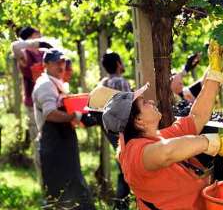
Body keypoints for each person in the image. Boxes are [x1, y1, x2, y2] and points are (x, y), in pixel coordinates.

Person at [102, 41, 223, 210]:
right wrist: (214, 142)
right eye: (144, 102)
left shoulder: (160, 137)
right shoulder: (134, 154)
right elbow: (166, 152)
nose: (151, 101)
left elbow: (197, 116)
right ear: (138, 121)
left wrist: (214, 74)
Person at [32, 49, 97, 210]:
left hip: (63, 142)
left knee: (71, 186)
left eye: (62, 62)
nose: (61, 66)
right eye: (56, 63)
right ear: (45, 65)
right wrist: (77, 116)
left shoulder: (55, 83)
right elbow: (50, 114)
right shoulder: (46, 85)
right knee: (62, 189)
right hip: (54, 145)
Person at [11, 26, 52, 186]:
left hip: (50, 102)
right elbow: (14, 47)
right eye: (36, 36)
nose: (40, 38)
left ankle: (56, 185)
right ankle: (45, 187)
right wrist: (33, 42)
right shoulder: (24, 56)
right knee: (39, 145)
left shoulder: (43, 54)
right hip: (33, 106)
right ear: (28, 39)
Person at [99, 52, 132, 209]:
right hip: (124, 130)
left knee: (122, 167)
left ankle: (121, 204)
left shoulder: (103, 83)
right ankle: (122, 205)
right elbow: (129, 107)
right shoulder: (122, 83)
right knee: (129, 169)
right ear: (119, 64)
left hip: (110, 132)